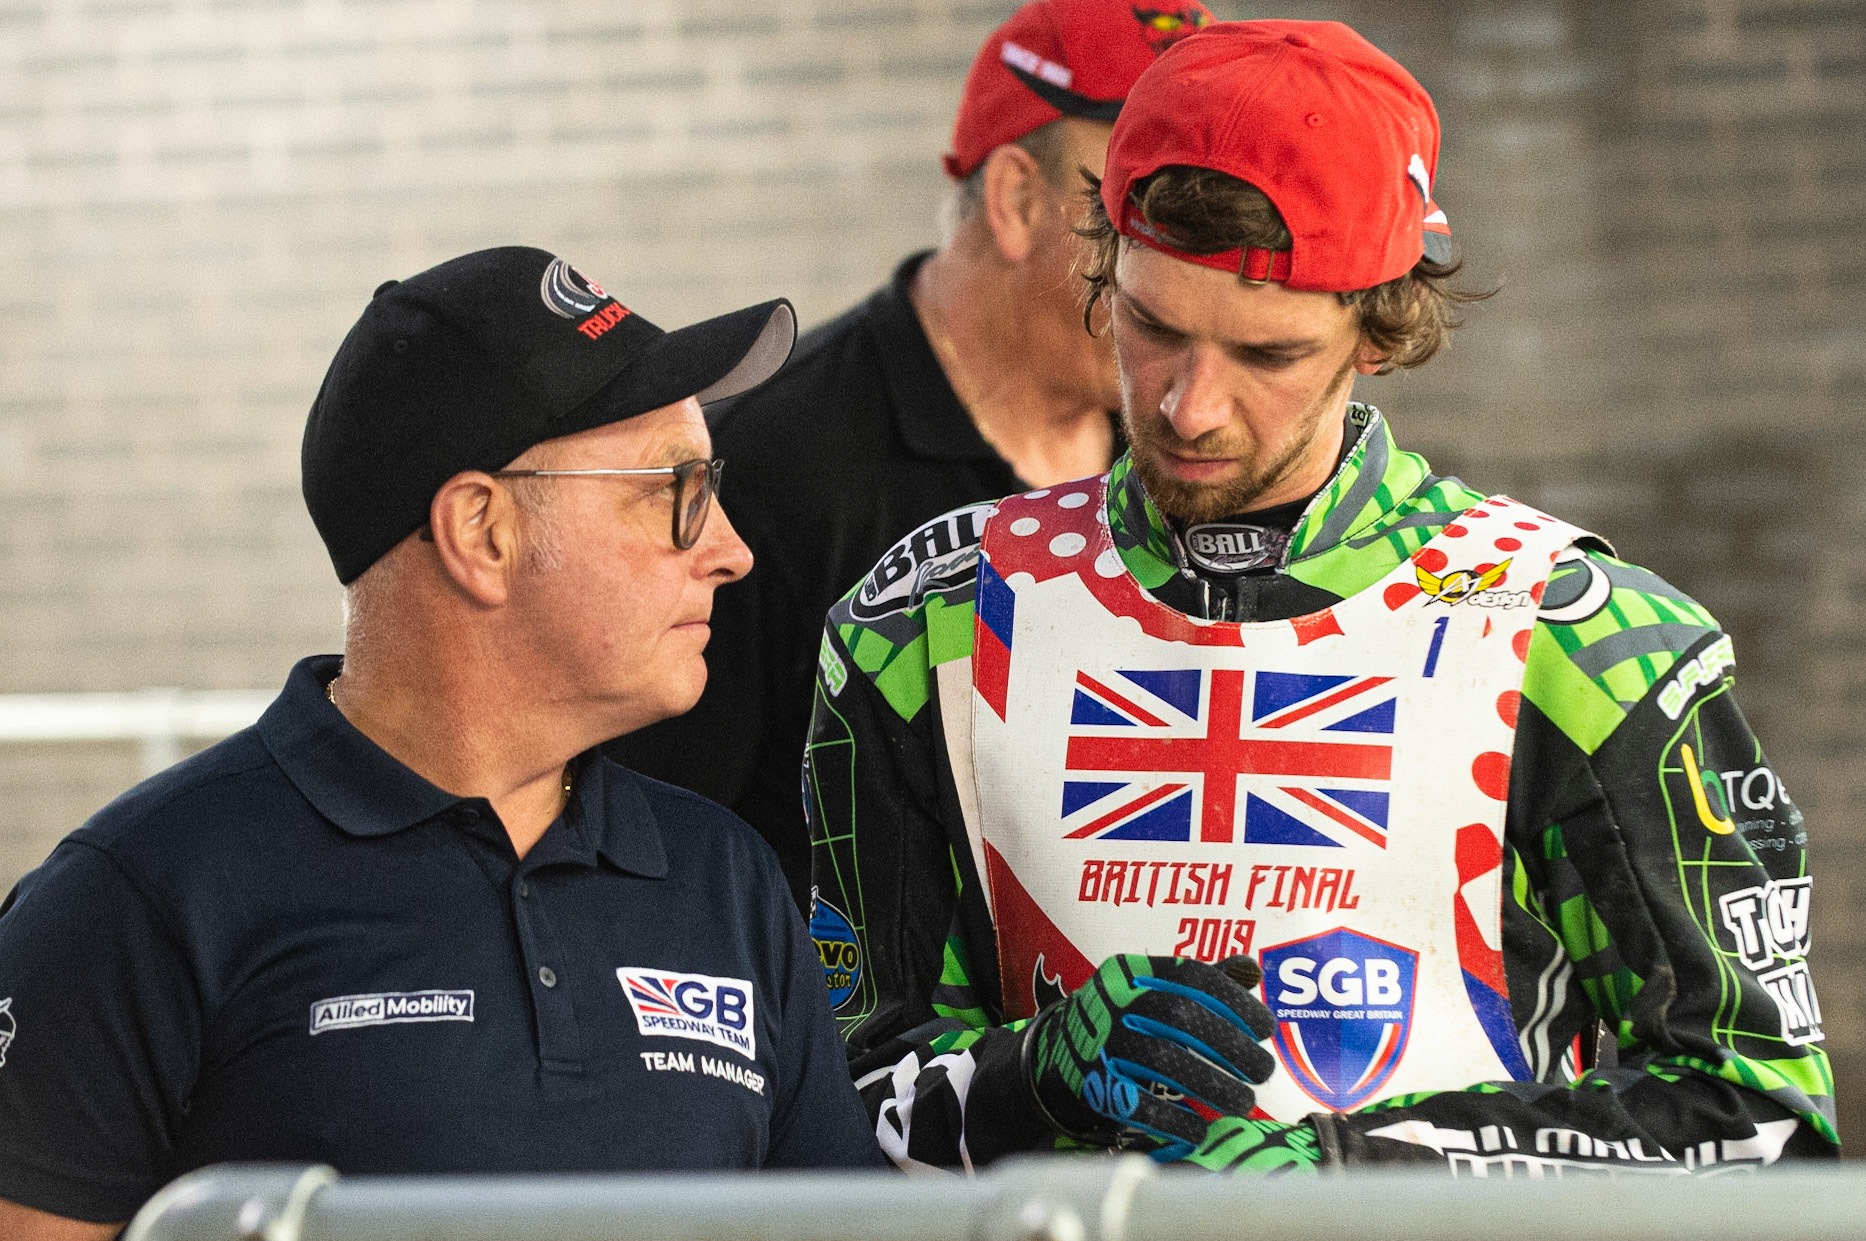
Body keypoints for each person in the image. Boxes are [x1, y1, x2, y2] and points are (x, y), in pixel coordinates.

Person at [806, 22, 1836, 1174]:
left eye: (1267, 353)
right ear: (1100, 264)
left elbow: (1757, 1124)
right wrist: (1035, 1076)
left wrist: (1365, 1175)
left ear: (1380, 332)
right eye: (1152, 326)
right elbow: (834, 1100)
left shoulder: (1584, 640)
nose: (1190, 405)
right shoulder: (925, 621)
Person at [0, 246, 883, 1238]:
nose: (730, 548)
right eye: (672, 490)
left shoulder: (729, 879)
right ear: (481, 530)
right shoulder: (134, 898)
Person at [608, 0, 1215, 911]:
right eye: (1142, 208)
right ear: (1015, 200)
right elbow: (652, 853)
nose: (1185, 267)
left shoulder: (1192, 444)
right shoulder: (771, 466)